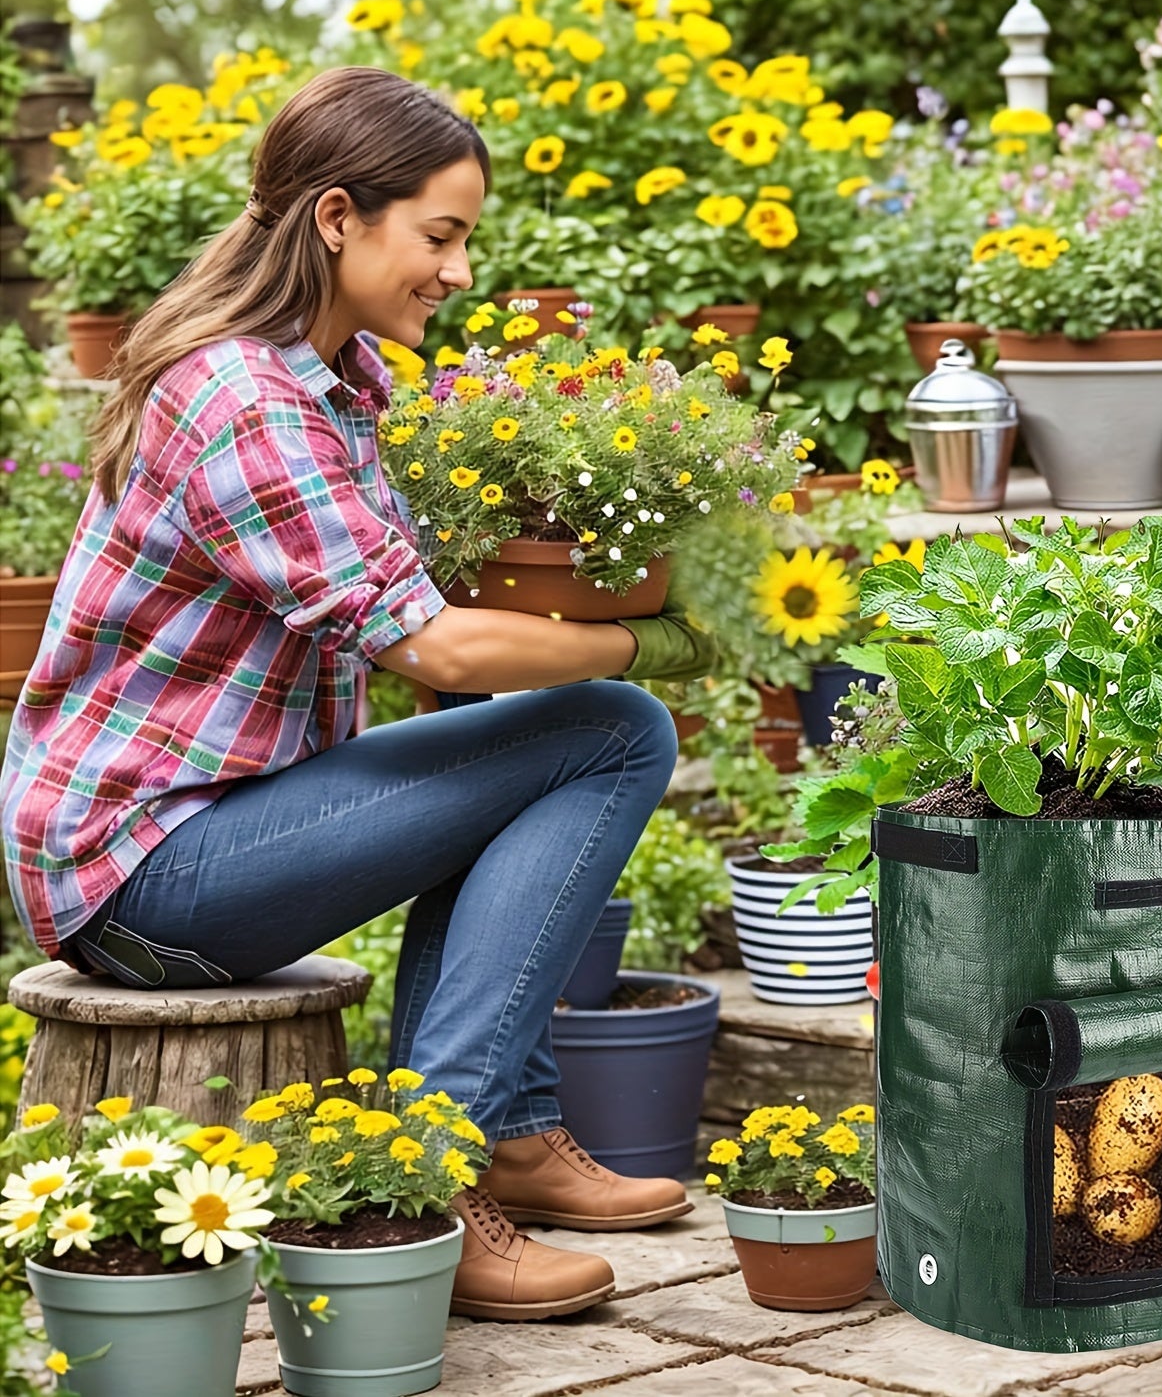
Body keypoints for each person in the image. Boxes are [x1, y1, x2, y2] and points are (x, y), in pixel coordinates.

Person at [0, 67, 717, 1319]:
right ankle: (427, 1176)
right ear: (339, 218)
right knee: (612, 727)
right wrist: (642, 646)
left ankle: (510, 1129)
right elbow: (429, 645)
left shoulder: (340, 386)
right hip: (138, 868)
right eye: (440, 236)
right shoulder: (242, 402)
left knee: (538, 747)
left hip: (215, 825)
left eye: (466, 240)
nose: (459, 270)